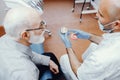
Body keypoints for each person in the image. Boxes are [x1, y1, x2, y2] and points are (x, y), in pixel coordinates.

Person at [59, 0, 120, 80]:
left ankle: (86, 69)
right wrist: (89, 36)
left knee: (64, 59)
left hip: (87, 74)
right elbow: (109, 42)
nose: (96, 15)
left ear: (116, 24)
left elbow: (79, 73)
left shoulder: (101, 57)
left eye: (101, 15)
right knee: (93, 45)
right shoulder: (115, 38)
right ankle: (88, 68)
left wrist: (68, 47)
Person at [0, 7, 65, 80]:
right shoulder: (27, 73)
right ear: (25, 35)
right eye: (40, 26)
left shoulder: (6, 38)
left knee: (50, 56)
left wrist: (48, 61)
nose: (44, 28)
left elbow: (27, 53)